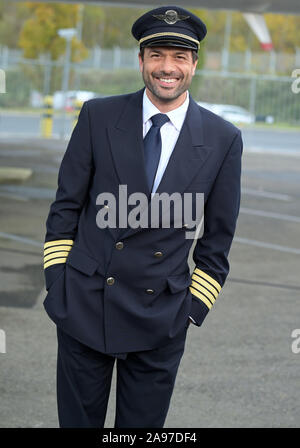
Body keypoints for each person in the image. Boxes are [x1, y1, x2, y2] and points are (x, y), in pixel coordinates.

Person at [43, 5, 243, 428]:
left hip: (161, 319)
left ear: (194, 64)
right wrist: (59, 284)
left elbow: (217, 242)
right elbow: (65, 208)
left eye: (179, 57)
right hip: (85, 305)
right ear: (141, 60)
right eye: (156, 55)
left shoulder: (223, 139)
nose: (166, 67)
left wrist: (189, 310)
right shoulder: (99, 116)